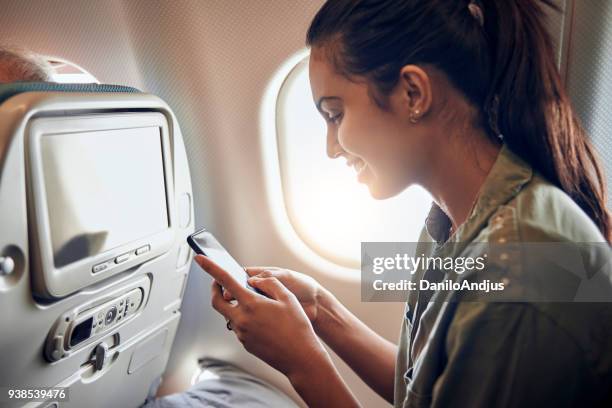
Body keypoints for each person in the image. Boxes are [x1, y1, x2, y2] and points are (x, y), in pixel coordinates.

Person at [194, 0, 612, 407]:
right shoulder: (450, 223)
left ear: (413, 92)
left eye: (336, 115)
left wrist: (301, 363)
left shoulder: (519, 279)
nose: (330, 149)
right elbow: (425, 389)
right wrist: (322, 312)